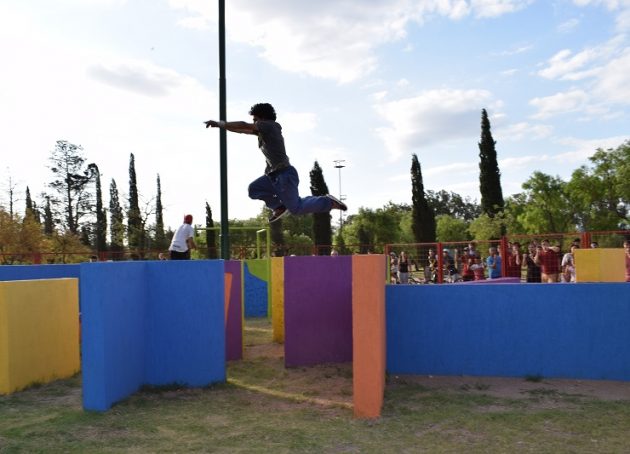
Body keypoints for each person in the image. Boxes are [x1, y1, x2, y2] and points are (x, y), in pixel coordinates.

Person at [204, 103, 347, 222]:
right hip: (272, 176)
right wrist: (221, 126)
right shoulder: (263, 131)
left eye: (255, 119)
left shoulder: (270, 126)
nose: (254, 122)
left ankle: (328, 202)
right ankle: (278, 207)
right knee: (254, 189)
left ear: (262, 118)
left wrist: (219, 123)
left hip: (285, 175)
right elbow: (241, 129)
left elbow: (243, 125)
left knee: (296, 208)